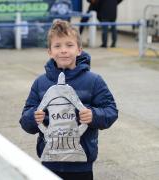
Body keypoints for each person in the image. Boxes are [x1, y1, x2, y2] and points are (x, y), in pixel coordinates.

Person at [19, 20, 118, 180]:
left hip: (81, 164)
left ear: (79, 49)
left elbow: (111, 111)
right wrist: (32, 117)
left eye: (69, 45)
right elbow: (25, 120)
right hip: (49, 162)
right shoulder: (40, 83)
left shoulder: (94, 81)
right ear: (49, 51)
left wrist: (94, 115)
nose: (63, 50)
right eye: (57, 46)